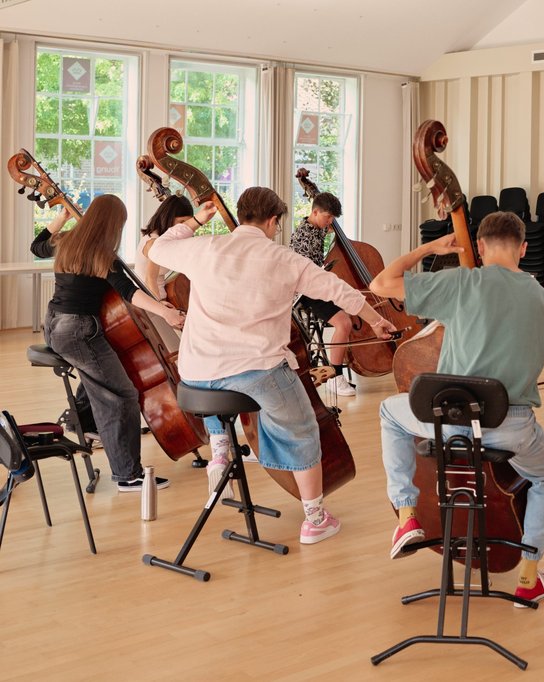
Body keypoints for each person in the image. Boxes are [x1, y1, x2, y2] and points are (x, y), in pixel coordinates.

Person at [369, 211, 544, 606]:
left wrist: (430, 247)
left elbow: (380, 283)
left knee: (389, 413)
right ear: (524, 249)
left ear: (479, 247)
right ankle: (528, 576)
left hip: (447, 422)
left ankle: (407, 515)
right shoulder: (543, 301)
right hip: (508, 428)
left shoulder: (461, 283)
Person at [146, 186, 397, 544]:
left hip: (196, 375)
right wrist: (376, 320)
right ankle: (315, 519)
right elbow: (339, 291)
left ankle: (220, 450)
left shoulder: (206, 247)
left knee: (217, 378)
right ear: (272, 220)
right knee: (303, 429)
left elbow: (158, 247)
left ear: (241, 214)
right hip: (254, 371)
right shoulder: (284, 259)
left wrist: (197, 221)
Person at [30, 195, 185, 491]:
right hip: (78, 331)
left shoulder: (66, 240)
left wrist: (60, 219)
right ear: (114, 224)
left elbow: (37, 247)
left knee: (107, 369)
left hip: (53, 325)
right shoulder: (102, 254)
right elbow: (129, 291)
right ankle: (128, 475)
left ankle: (85, 422)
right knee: (123, 395)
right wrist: (165, 312)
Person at [289, 191, 356, 396]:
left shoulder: (317, 228)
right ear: (315, 212)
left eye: (333, 218)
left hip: (316, 287)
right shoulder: (304, 235)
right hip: (306, 292)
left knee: (347, 316)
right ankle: (335, 378)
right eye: (328, 217)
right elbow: (305, 275)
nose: (330, 222)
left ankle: (338, 371)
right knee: (344, 323)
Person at [136, 195, 217, 300]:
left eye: (188, 222)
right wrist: (159, 305)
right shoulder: (154, 242)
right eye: (181, 222)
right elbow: (150, 279)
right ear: (167, 218)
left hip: (162, 300)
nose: (184, 226)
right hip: (151, 302)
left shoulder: (166, 242)